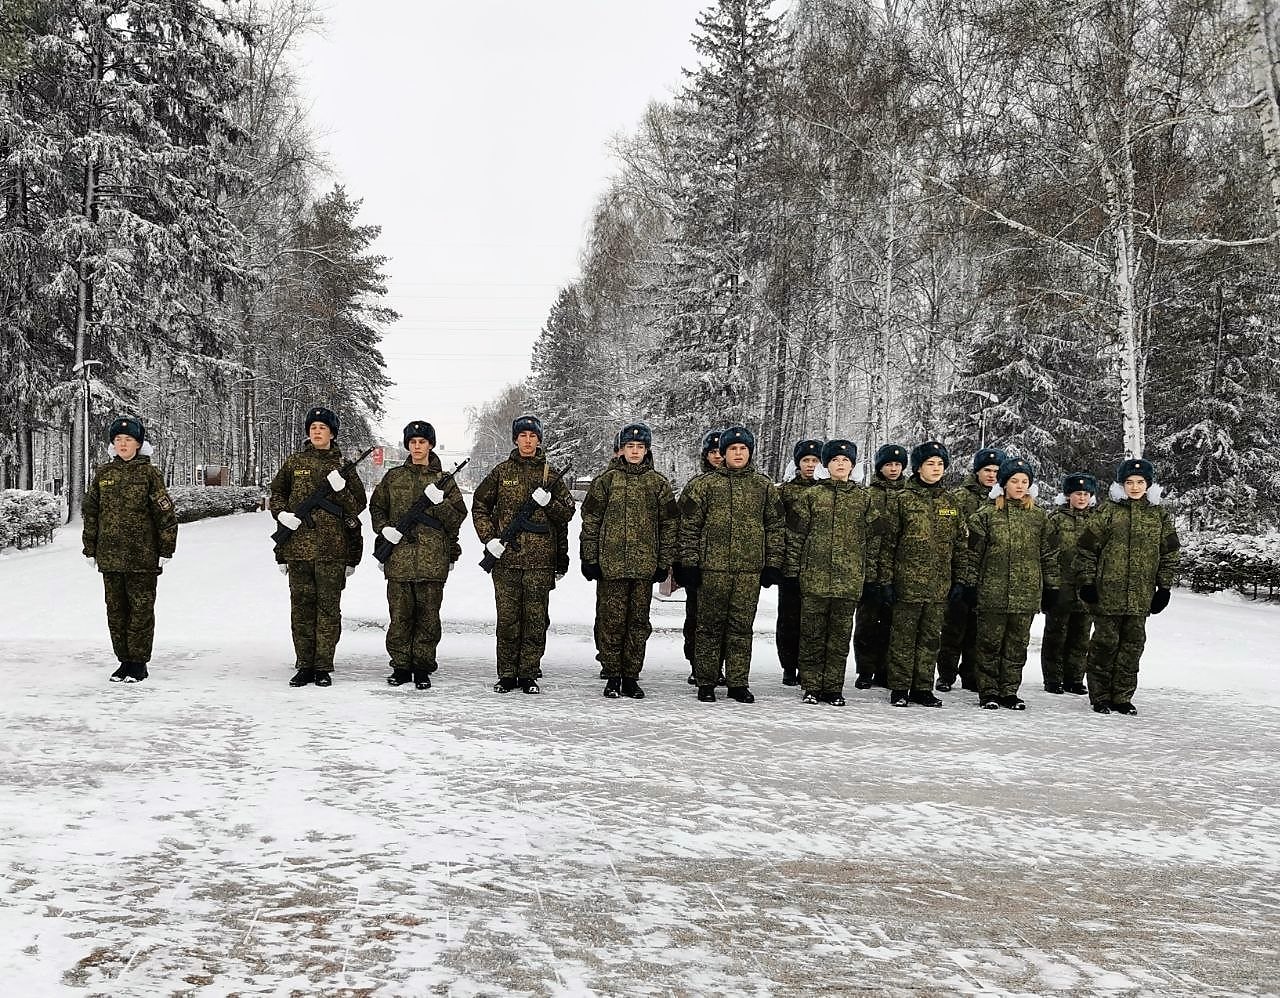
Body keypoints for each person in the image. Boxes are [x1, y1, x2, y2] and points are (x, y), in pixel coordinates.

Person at [677, 425, 785, 704]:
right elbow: (688, 528)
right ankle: (706, 681)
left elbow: (775, 527)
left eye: (743, 449)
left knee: (741, 628)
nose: (738, 453)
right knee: (708, 628)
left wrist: (772, 564)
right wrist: (689, 564)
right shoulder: (704, 485)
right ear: (723, 453)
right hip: (711, 570)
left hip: (749, 571)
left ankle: (738, 682)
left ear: (750, 452)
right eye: (732, 449)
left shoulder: (763, 486)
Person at [471, 414, 576, 694]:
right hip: (506, 560)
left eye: (532, 436)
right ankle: (507, 674)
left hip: (540, 563)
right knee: (508, 620)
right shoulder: (501, 472)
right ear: (515, 439)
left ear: (539, 440)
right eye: (523, 436)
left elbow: (567, 514)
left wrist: (550, 503)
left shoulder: (551, 475)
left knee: (535, 621)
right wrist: (489, 539)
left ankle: (528, 674)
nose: (528, 441)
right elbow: (480, 505)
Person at [270, 406, 368, 688]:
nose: (316, 431)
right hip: (298, 549)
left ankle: (323, 666)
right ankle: (304, 664)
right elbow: (277, 493)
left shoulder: (343, 466)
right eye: (313, 427)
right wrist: (282, 514)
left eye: (322, 427)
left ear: (332, 433)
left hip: (332, 550)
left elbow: (358, 506)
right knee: (301, 610)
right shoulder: (294, 462)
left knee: (328, 611)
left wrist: (341, 489)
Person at [580, 422, 679, 699]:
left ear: (647, 450)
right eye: (630, 446)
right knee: (611, 622)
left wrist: (663, 562)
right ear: (621, 449)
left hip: (644, 568)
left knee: (638, 624)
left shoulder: (658, 484)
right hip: (611, 567)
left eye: (640, 447)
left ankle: (631, 676)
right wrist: (589, 558)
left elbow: (669, 525)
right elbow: (591, 522)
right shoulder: (606, 482)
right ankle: (612, 675)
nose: (635, 451)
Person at [1076, 458, 1180, 715]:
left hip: (1140, 597)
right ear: (1121, 484)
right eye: (1130, 482)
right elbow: (1087, 549)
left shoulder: (1159, 515)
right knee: (1104, 646)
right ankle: (1100, 696)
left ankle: (1122, 696)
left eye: (1140, 482)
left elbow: (1170, 553)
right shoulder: (1107, 512)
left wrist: (1164, 588)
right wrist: (1087, 582)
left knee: (1132, 648)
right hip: (1107, 595)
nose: (1135, 487)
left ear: (1148, 485)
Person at [784, 439, 884, 706]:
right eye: (835, 460)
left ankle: (833, 688)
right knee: (812, 635)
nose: (840, 464)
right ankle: (811, 686)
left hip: (848, 582)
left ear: (852, 466)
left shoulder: (865, 499)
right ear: (826, 465)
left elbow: (875, 541)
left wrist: (870, 576)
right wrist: (792, 572)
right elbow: (795, 537)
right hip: (813, 580)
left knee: (839, 638)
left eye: (846, 460)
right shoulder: (811, 496)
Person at [369, 420, 468, 690]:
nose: (417, 446)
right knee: (400, 617)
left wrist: (441, 502)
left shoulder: (444, 480)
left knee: (428, 618)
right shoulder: (394, 477)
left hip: (432, 561)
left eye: (422, 442)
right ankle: (401, 667)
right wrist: (384, 529)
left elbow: (458, 518)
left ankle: (423, 668)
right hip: (399, 559)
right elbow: (377, 507)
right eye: (412, 442)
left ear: (430, 445)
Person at [82, 416, 179, 684]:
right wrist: (89, 548)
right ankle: (123, 661)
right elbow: (91, 512)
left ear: (138, 444)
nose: (123, 444)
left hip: (142, 557)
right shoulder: (103, 474)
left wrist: (166, 548)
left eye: (128, 439)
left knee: (140, 611)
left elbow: (165, 514)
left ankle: (138, 663)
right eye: (118, 440)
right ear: (112, 444)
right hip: (110, 557)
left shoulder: (149, 474)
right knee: (116, 612)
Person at [961, 457, 1060, 710]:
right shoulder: (985, 516)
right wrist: (968, 585)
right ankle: (988, 691)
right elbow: (972, 555)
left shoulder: (1039, 517)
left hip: (1026, 595)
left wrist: (1052, 587)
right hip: (992, 593)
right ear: (1004, 484)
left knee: (1016, 646)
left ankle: (1009, 691)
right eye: (1014, 481)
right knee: (989, 645)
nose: (1019, 486)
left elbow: (1049, 555)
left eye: (1024, 481)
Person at [878, 441, 966, 708]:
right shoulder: (902, 499)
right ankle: (900, 687)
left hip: (939, 586)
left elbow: (960, 544)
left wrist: (960, 580)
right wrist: (886, 581)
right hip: (907, 583)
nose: (936, 468)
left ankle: (923, 687)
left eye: (940, 464)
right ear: (917, 468)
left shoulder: (950, 501)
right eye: (930, 464)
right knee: (903, 638)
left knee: (930, 639)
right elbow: (888, 543)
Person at [936, 446, 1006, 692]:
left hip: (990, 574)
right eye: (987, 470)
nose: (991, 475)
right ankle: (946, 675)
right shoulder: (959, 497)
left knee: (979, 630)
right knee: (953, 628)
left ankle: (971, 675)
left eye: (996, 471)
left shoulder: (1004, 500)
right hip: (962, 571)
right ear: (977, 471)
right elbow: (948, 529)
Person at [853, 443, 908, 689]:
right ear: (879, 467)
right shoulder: (868, 495)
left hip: (899, 571)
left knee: (892, 624)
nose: (893, 469)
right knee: (866, 623)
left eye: (898, 464)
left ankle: (886, 671)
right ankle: (865, 670)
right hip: (869, 570)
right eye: (888, 464)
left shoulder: (909, 494)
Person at [1041, 472, 1098, 695]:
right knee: (1056, 634)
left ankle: (1074, 678)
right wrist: (1050, 584)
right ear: (1068, 496)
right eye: (1077, 493)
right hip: (1061, 584)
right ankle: (1053, 679)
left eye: (1085, 494)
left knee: (1081, 635)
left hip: (1086, 585)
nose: (1082, 498)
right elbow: (1048, 551)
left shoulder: (1098, 519)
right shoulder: (1055, 519)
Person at [675, 429, 724, 685]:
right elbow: (683, 525)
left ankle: (719, 666)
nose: (717, 457)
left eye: (720, 452)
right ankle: (697, 664)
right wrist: (682, 562)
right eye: (712, 452)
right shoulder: (696, 486)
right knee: (696, 618)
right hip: (699, 565)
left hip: (729, 567)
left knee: (725, 621)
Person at [776, 438, 824, 686]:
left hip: (819, 567)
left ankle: (809, 667)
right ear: (798, 463)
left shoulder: (827, 491)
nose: (811, 465)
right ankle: (789, 665)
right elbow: (776, 527)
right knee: (789, 620)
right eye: (806, 460)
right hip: (790, 566)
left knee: (814, 622)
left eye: (815, 460)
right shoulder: (785, 492)